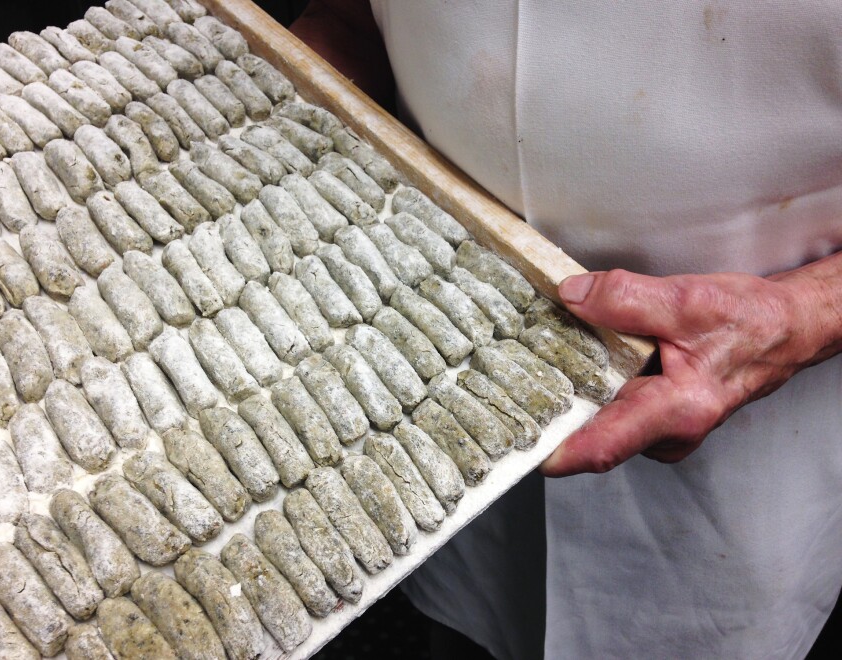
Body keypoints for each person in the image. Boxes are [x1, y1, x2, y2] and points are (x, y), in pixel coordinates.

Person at [292, 2, 842, 658]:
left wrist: (804, 315)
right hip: (417, 351)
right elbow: (351, 17)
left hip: (747, 446)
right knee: (460, 611)